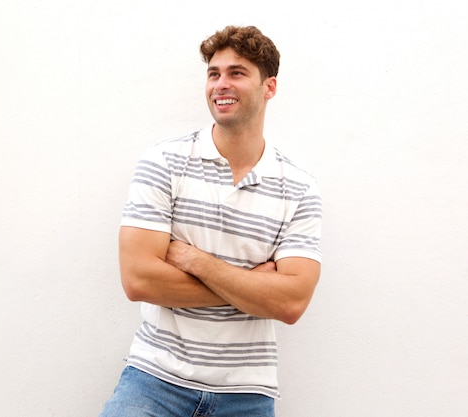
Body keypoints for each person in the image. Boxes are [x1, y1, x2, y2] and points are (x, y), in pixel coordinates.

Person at [99, 25, 322, 417]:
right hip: (154, 380)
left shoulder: (299, 188)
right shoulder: (164, 163)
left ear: (269, 87)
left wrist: (193, 260)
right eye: (213, 73)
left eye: (237, 73)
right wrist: (253, 285)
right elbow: (138, 280)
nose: (221, 84)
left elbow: (291, 303)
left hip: (247, 395)